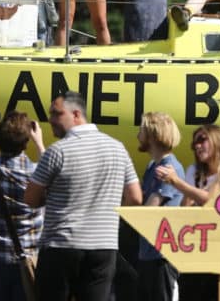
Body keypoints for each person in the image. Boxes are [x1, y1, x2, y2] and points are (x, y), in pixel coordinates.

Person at [24, 91, 143, 301]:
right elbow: (135, 198)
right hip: (103, 247)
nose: (50, 119)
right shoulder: (118, 148)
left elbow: (31, 199)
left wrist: (52, 197)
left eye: (56, 113)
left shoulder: (57, 151)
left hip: (61, 246)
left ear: (76, 114)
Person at [155, 124, 220, 301]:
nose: (197, 146)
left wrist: (177, 183)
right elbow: (186, 209)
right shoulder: (194, 171)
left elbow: (219, 204)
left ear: (217, 140)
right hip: (197, 252)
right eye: (194, 143)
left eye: (202, 140)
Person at [0, 111, 45, 301]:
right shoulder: (38, 173)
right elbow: (51, 168)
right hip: (28, 261)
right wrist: (39, 142)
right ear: (25, 143)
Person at [132, 112, 184, 301]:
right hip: (147, 253)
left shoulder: (170, 168)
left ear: (153, 135)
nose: (138, 135)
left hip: (162, 256)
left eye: (142, 131)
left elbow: (151, 206)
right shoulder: (152, 166)